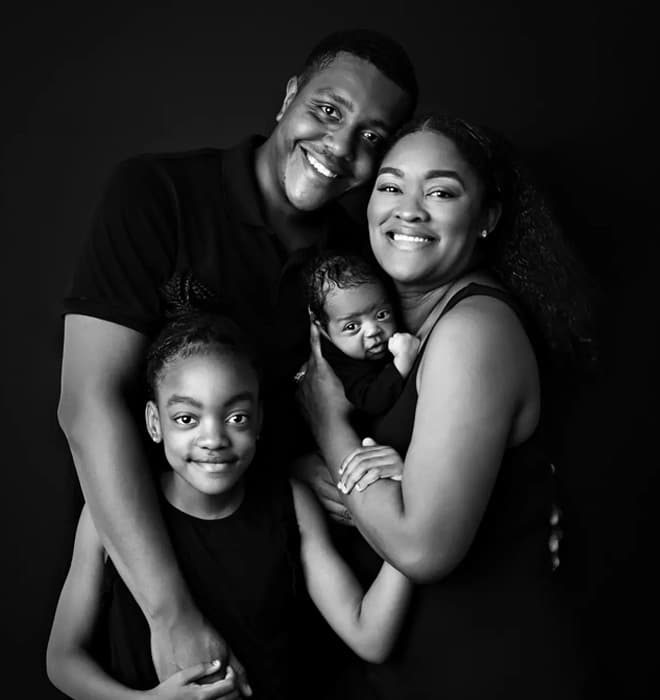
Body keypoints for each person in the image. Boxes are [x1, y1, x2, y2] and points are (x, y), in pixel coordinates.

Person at [57, 28, 417, 690]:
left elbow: (403, 388)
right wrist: (171, 617)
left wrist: (511, 497)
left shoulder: (357, 259)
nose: (340, 148)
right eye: (330, 111)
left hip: (280, 578)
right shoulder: (156, 192)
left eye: (373, 138)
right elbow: (86, 403)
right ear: (288, 97)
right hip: (151, 572)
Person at [296, 114, 594, 698]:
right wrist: (310, 469)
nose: (408, 208)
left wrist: (326, 420)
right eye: (390, 185)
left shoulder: (472, 330)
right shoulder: (377, 327)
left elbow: (423, 546)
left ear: (486, 218)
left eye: (440, 190)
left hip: (493, 671)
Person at [47, 310, 411, 700]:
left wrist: (410, 500)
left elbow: (370, 636)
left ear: (258, 421)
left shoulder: (292, 504)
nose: (213, 438)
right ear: (155, 423)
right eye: (186, 418)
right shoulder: (106, 516)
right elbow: (63, 660)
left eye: (236, 417)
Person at [303, 251, 420, 421]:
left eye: (382, 315)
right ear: (322, 328)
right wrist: (402, 361)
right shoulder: (337, 361)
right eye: (352, 326)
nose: (373, 331)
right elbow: (372, 401)